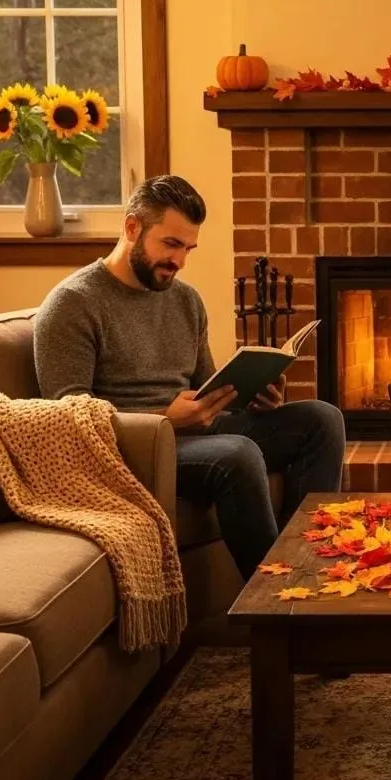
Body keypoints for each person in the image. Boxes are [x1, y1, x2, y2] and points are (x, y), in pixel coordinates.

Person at [34, 174, 346, 580]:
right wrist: (163, 418)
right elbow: (68, 421)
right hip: (133, 451)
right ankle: (279, 598)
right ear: (132, 227)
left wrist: (252, 393)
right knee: (236, 453)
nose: (179, 261)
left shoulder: (185, 300)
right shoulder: (73, 304)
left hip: (197, 434)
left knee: (322, 419)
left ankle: (310, 570)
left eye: (188, 248)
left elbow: (207, 387)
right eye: (171, 244)